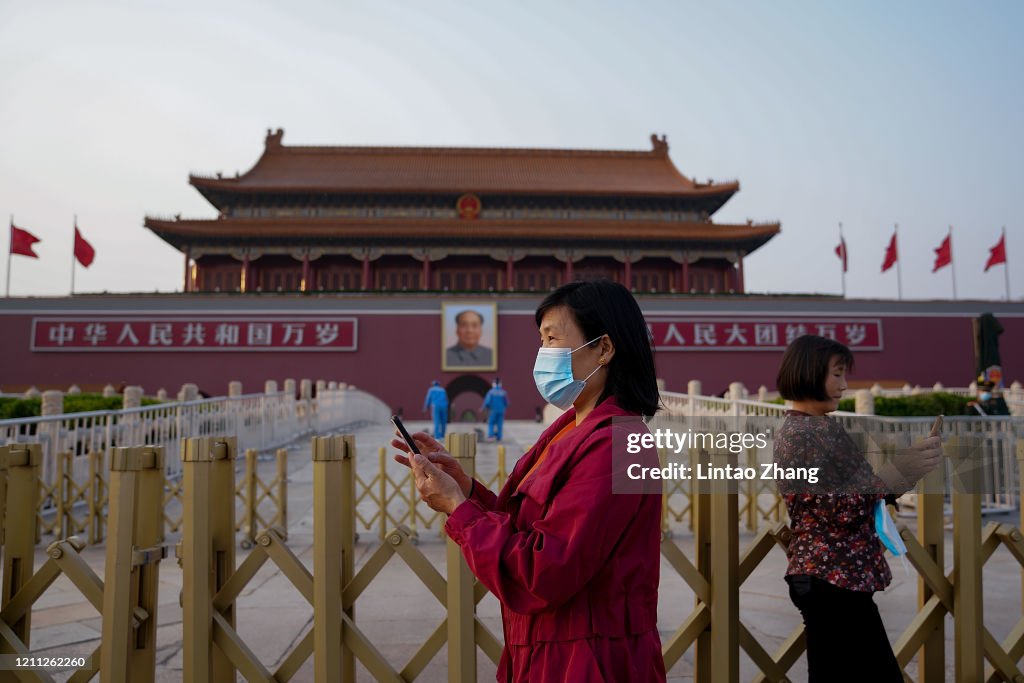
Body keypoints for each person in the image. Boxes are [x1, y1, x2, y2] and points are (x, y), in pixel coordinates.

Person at [394, 280, 666, 682]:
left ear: (604, 349)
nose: (543, 354)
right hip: (543, 651)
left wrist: (458, 509)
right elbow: (525, 527)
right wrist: (466, 489)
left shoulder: (617, 444)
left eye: (553, 339)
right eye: (541, 341)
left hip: (589, 661)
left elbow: (542, 571)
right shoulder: (569, 429)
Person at [773, 335, 943, 682]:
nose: (844, 385)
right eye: (836, 374)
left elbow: (857, 494)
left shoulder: (818, 429)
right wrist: (898, 474)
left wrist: (901, 475)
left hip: (836, 577)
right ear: (810, 373)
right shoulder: (802, 435)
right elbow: (839, 506)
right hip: (830, 577)